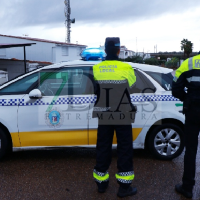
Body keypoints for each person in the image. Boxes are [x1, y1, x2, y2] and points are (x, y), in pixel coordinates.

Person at [92, 37, 137, 198]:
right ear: (119, 50)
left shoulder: (97, 68)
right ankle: (124, 188)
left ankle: (101, 184)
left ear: (105, 50)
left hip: (104, 112)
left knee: (103, 146)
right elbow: (131, 86)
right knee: (124, 147)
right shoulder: (126, 67)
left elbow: (96, 90)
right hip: (123, 112)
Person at [172, 51, 200, 199]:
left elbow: (175, 88)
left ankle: (187, 187)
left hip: (194, 110)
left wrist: (187, 98)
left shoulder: (189, 63)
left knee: (191, 150)